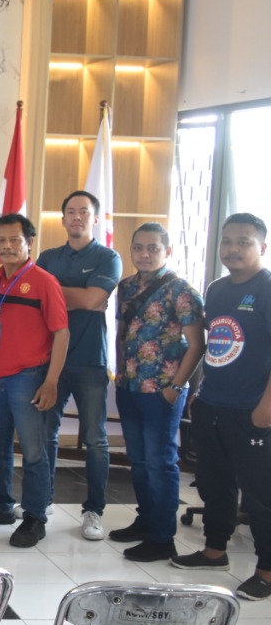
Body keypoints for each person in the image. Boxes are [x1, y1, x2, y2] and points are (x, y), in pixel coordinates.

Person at [170, 213, 271, 602]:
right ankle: (214, 551)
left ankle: (266, 570)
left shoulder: (266, 289)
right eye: (227, 241)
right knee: (214, 483)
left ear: (262, 247)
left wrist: (266, 406)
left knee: (259, 493)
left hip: (253, 410)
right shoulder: (216, 289)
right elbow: (216, 345)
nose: (233, 249)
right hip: (212, 403)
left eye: (244, 242)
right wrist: (200, 390)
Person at [0, 214, 69, 548]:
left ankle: (35, 517)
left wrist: (51, 381)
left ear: (29, 243)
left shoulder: (43, 281)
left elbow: (61, 333)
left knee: (34, 451)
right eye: (1, 241)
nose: (7, 247)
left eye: (14, 240)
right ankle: (0, 505)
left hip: (29, 377)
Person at [108, 223, 204, 562]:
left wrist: (175, 387)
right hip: (130, 386)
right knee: (138, 461)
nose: (145, 254)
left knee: (160, 462)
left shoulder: (182, 291)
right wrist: (120, 375)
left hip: (162, 390)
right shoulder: (126, 287)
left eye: (153, 248)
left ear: (167, 251)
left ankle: (163, 538)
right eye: (139, 247)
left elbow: (197, 345)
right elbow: (122, 334)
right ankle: (146, 520)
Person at [36, 190, 123, 541]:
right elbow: (37, 298)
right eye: (70, 211)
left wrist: (62, 294)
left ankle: (94, 511)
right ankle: (43, 499)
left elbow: (92, 298)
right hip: (49, 360)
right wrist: (83, 297)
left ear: (95, 218)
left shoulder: (108, 257)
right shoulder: (48, 257)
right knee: (45, 433)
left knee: (96, 440)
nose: (77, 217)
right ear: (62, 219)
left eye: (84, 212)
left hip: (89, 361)